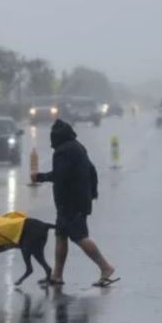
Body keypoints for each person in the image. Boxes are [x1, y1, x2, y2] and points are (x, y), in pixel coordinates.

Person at [31, 119, 118, 287]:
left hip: (70, 204)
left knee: (80, 237)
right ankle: (57, 276)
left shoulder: (63, 151)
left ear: (56, 138)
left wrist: (40, 177)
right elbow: (92, 170)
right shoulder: (78, 147)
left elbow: (60, 176)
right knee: (61, 235)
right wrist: (92, 193)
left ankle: (105, 267)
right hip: (76, 202)